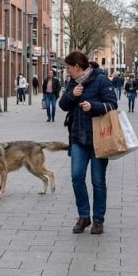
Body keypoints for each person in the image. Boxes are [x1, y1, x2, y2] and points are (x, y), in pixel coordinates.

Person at [59, 51, 117, 235]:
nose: (67, 71)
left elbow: (112, 104)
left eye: (68, 68)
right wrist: (72, 95)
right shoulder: (72, 83)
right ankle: (84, 216)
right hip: (78, 137)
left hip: (99, 138)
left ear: (77, 67)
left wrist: (93, 106)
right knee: (77, 177)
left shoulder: (101, 80)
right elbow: (63, 105)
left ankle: (98, 220)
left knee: (98, 181)